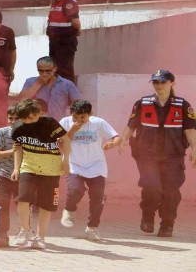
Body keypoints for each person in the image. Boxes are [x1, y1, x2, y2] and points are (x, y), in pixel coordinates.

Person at [120, 69, 196, 237]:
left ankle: (167, 224)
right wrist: (123, 139)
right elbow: (131, 125)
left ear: (172, 83)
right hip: (147, 155)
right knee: (152, 187)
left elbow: (190, 130)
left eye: (163, 82)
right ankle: (147, 216)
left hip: (173, 155)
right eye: (156, 82)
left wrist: (195, 149)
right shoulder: (142, 103)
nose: (159, 85)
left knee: (171, 191)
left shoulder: (183, 105)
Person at [11, 99, 71, 249]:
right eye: (24, 118)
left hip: (51, 169)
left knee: (46, 204)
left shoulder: (50, 123)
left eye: (31, 118)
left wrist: (66, 161)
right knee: (23, 199)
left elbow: (66, 139)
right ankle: (25, 231)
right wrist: (16, 168)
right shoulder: (17, 128)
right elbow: (17, 148)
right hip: (29, 167)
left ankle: (40, 237)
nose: (28, 122)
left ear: (39, 113)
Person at [59, 100, 122, 241]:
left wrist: (112, 144)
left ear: (90, 114)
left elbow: (117, 137)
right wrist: (72, 131)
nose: (79, 120)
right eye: (76, 117)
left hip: (96, 165)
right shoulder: (65, 122)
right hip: (74, 163)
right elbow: (60, 143)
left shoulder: (98, 123)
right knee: (75, 190)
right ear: (71, 114)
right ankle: (69, 210)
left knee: (97, 197)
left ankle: (92, 228)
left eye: (83, 117)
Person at [0, 103, 21, 247]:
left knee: (23, 206)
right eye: (10, 118)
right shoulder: (1, 132)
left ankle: (24, 233)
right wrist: (12, 151)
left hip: (23, 175)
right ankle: (2, 234)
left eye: (16, 118)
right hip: (2, 174)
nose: (13, 121)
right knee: (2, 205)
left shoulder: (30, 134)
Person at [18, 56, 81, 122]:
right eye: (41, 71)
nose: (44, 74)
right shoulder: (30, 82)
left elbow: (78, 104)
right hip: (36, 123)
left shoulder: (67, 84)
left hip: (58, 123)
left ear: (55, 69)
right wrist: (38, 83)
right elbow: (21, 100)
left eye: (48, 71)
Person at [46, 0, 81, 83]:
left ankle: (68, 93)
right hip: (55, 41)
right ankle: (57, 92)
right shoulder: (56, 1)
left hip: (65, 41)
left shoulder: (69, 2)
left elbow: (75, 21)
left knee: (65, 68)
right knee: (55, 68)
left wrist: (78, 31)